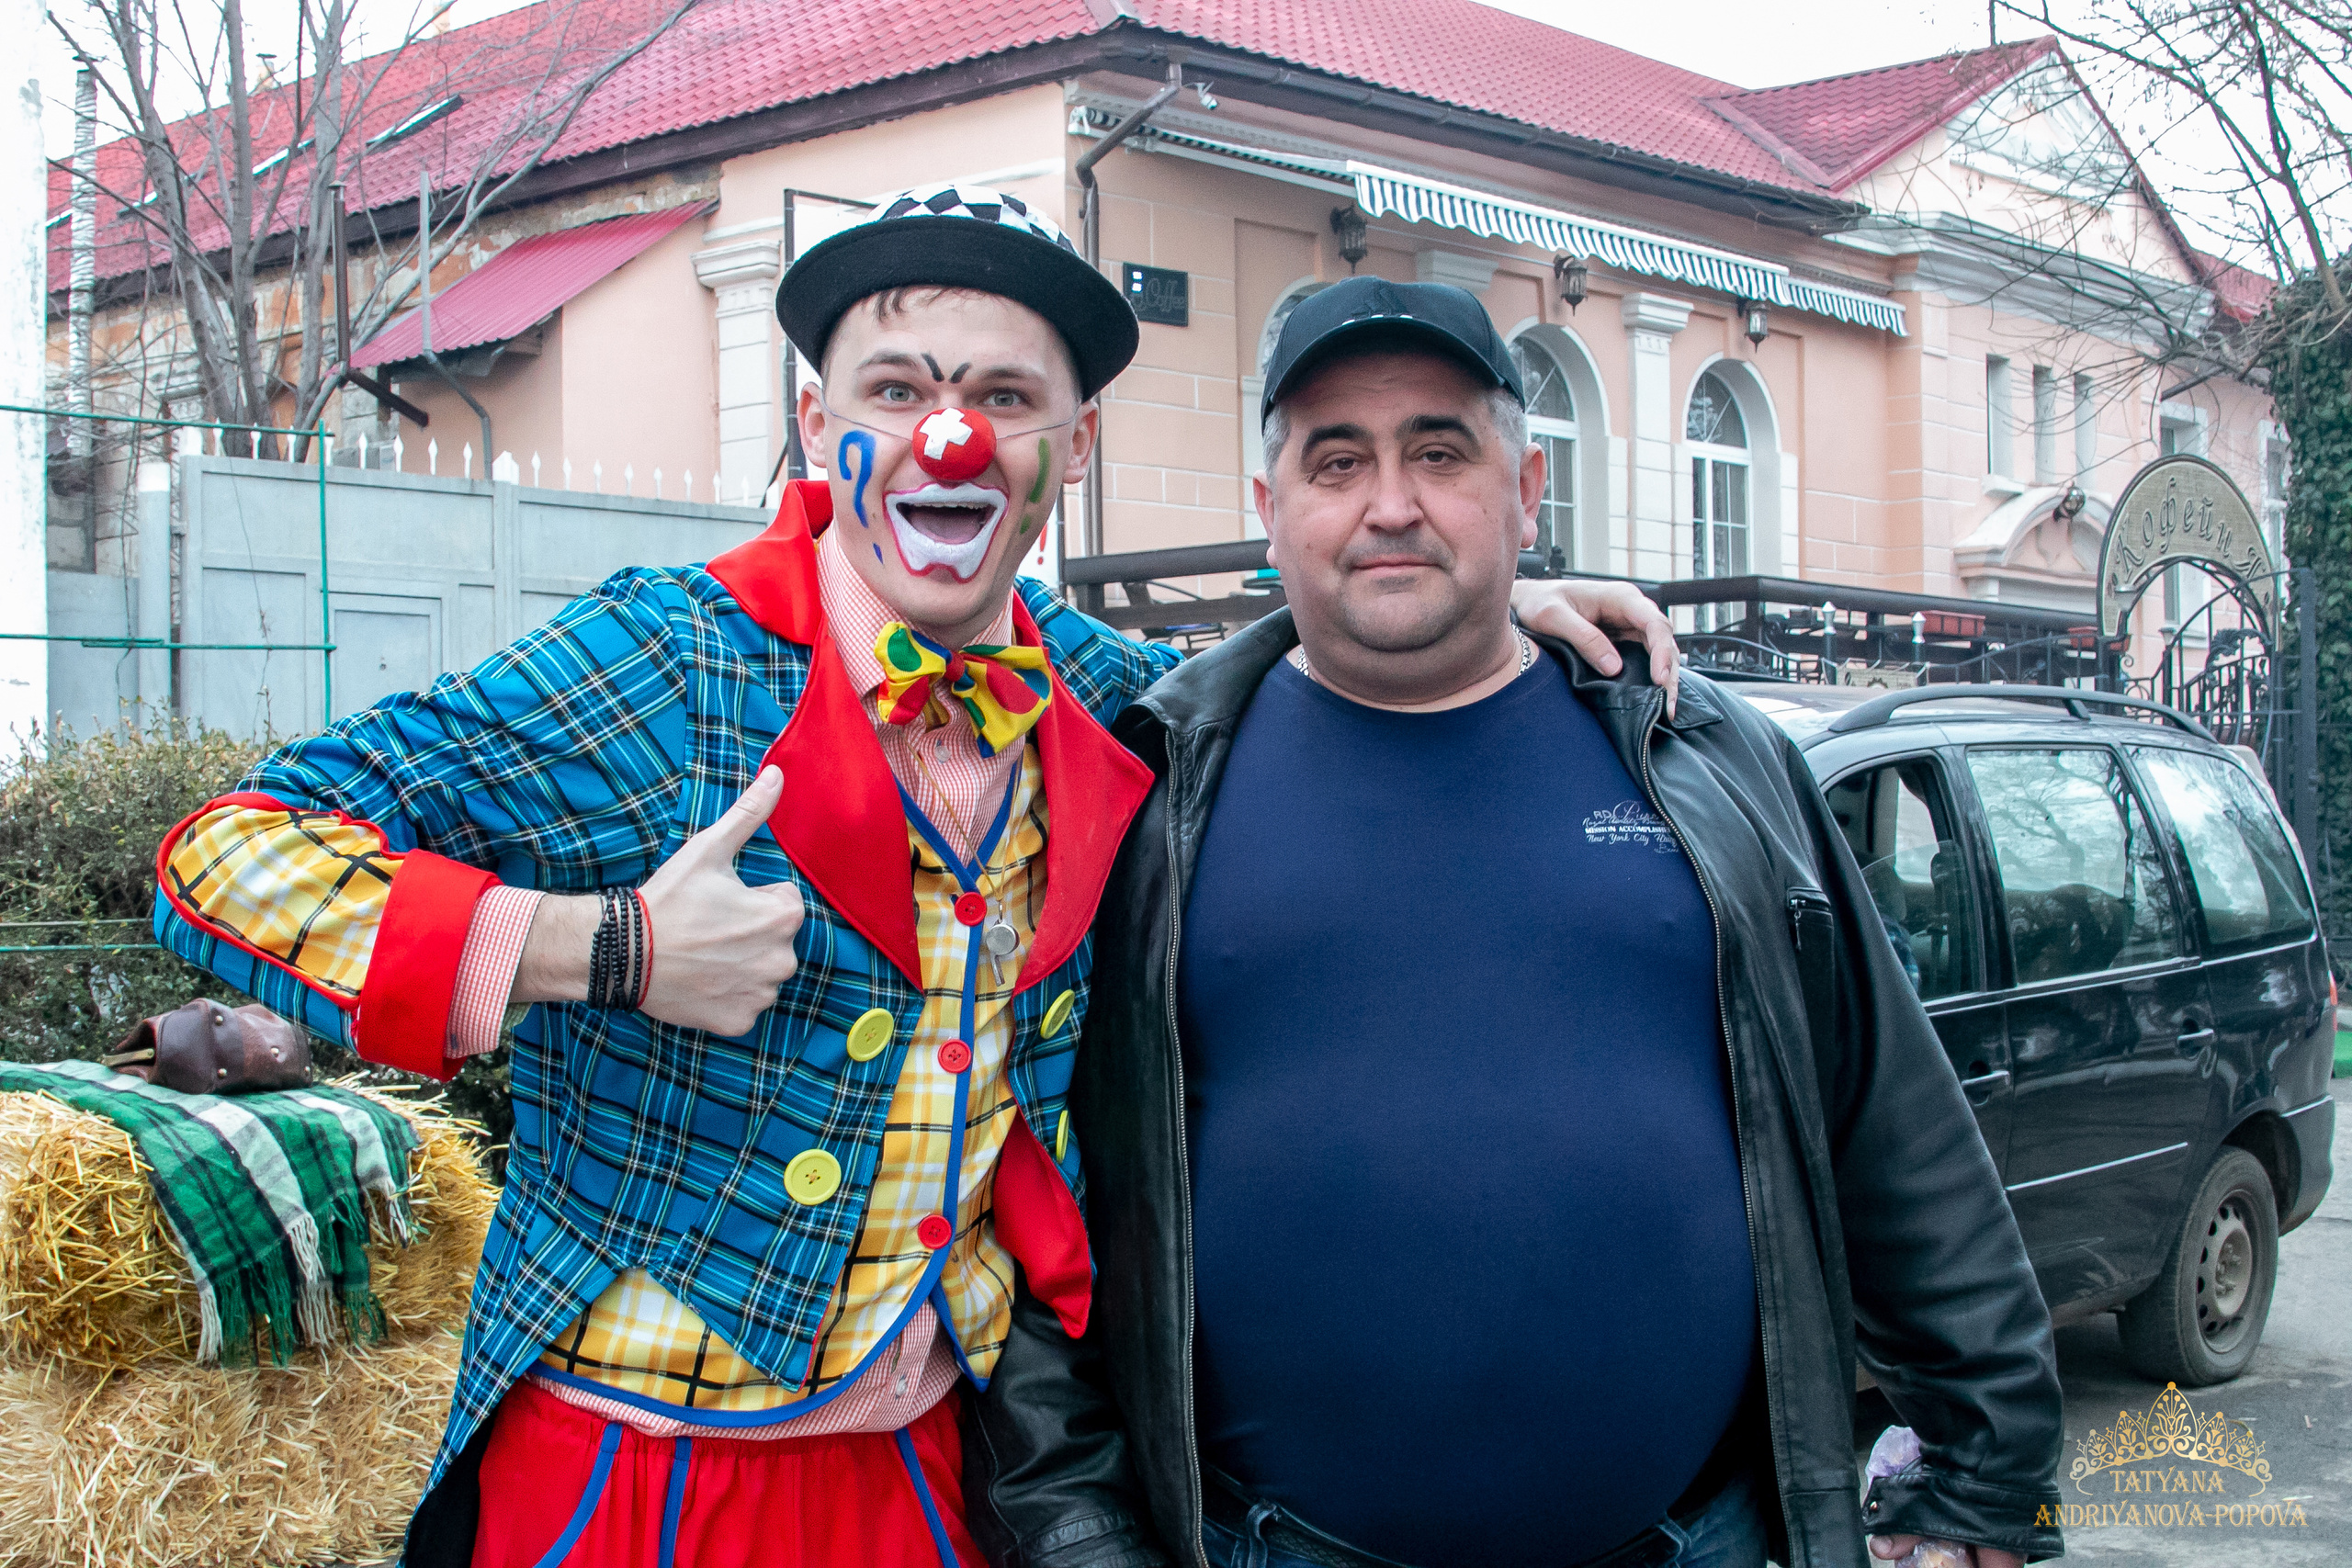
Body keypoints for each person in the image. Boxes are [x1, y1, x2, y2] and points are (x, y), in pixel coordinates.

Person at [152, 202, 1676, 1568]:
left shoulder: (1090, 690)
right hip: (639, 1477)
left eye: (1005, 398)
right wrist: (601, 948)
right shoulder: (667, 656)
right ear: (822, 427)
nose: (952, 438)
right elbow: (224, 851)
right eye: (899, 391)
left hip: (942, 1474)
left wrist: (1490, 607)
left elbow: (1287, 664)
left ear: (1069, 452)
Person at [983, 276, 2068, 1568]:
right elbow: (1040, 1209)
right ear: (1270, 513)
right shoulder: (1145, 784)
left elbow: (1892, 1128)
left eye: (1439, 451)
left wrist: (1997, 1482)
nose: (1391, 503)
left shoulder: (1704, 757)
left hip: (1696, 1542)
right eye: (1338, 461)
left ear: (1528, 490)